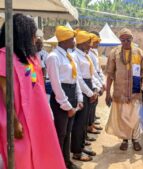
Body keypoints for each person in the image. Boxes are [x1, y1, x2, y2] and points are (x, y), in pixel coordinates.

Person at [0, 13, 65, 169]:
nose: (35, 39)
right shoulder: (3, 56)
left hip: (37, 117)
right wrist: (14, 122)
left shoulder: (30, 58)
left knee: (43, 154)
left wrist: (46, 111)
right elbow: (5, 90)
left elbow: (36, 85)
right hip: (18, 118)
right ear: (21, 34)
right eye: (32, 35)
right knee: (21, 157)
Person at [46, 26, 83, 169]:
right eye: (72, 38)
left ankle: (66, 162)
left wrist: (78, 98)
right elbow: (56, 84)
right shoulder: (53, 57)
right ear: (65, 40)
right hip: (61, 97)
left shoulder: (68, 56)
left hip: (71, 93)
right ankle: (57, 164)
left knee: (68, 132)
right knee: (60, 133)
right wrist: (67, 105)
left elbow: (75, 79)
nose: (74, 41)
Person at [105, 28, 143, 151]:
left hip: (135, 91)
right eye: (123, 40)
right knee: (122, 117)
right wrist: (108, 93)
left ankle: (135, 139)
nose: (125, 42)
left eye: (128, 39)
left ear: (132, 39)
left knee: (135, 118)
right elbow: (110, 74)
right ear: (120, 40)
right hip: (120, 92)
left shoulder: (139, 52)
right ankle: (125, 139)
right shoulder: (114, 53)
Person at [71, 30, 100, 161]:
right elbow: (79, 78)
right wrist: (89, 92)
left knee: (84, 122)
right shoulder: (75, 56)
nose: (90, 45)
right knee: (79, 123)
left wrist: (95, 89)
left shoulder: (85, 55)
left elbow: (91, 74)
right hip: (81, 90)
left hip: (88, 87)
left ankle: (82, 146)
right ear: (81, 43)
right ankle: (77, 151)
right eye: (88, 42)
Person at [87, 32, 105, 135]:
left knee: (94, 105)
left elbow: (97, 69)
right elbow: (92, 71)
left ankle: (91, 123)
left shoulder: (94, 52)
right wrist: (98, 84)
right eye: (96, 41)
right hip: (91, 80)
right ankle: (89, 126)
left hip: (96, 78)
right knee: (90, 106)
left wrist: (101, 82)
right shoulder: (88, 53)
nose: (98, 43)